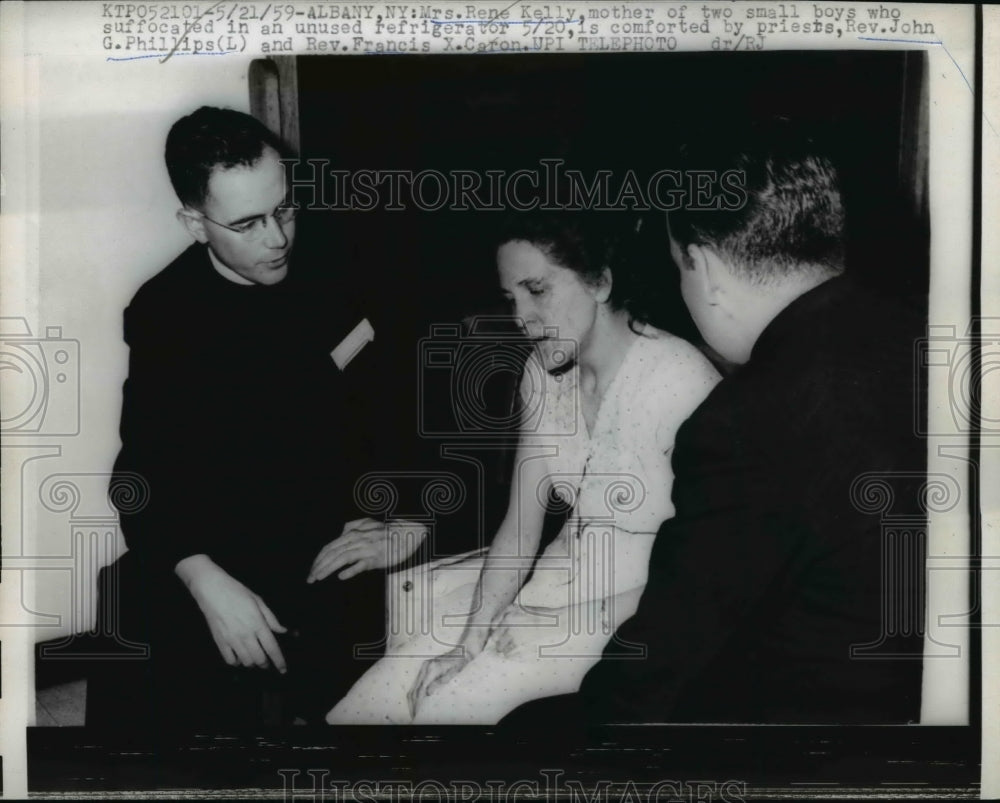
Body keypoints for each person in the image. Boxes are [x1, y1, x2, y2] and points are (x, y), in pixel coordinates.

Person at [503, 124, 927, 726]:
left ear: (699, 266)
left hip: (806, 729)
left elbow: (659, 667)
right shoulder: (917, 335)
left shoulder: (744, 423)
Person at [89, 107, 427, 729]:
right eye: (247, 223)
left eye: (285, 209)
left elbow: (414, 408)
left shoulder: (351, 265)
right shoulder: (164, 314)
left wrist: (415, 518)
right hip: (226, 535)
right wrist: (204, 578)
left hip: (341, 530)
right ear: (196, 224)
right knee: (131, 605)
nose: (277, 238)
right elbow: (143, 467)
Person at [326, 211, 721, 724]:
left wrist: (559, 624)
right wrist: (470, 637)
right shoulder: (542, 373)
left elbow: (707, 576)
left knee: (444, 706)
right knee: (380, 693)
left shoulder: (682, 382)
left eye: (538, 290)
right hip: (555, 582)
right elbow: (519, 529)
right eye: (512, 298)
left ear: (600, 282)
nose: (522, 317)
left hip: (642, 613)